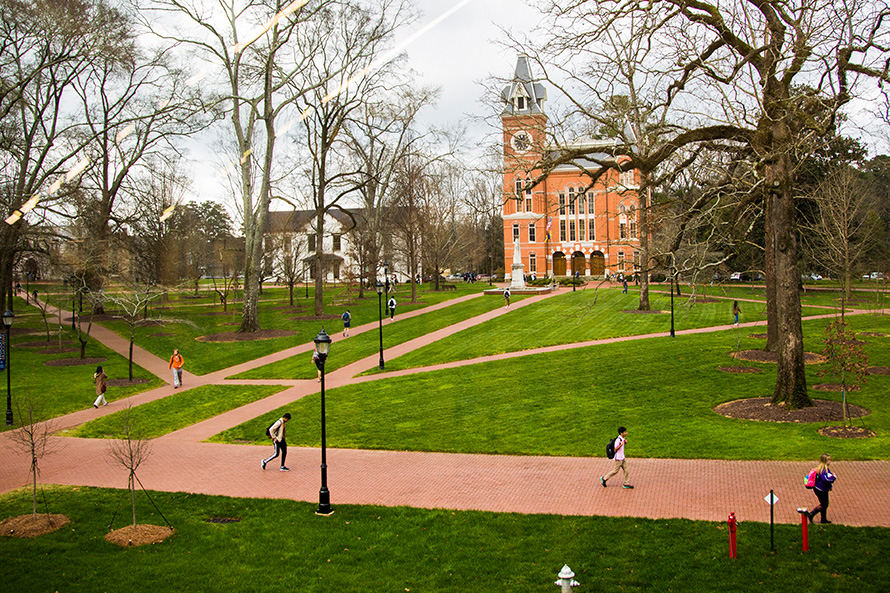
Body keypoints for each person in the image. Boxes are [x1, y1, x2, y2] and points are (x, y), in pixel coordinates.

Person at [799, 454, 837, 524]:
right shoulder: (824, 470)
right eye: (828, 460)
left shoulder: (823, 469)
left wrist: (830, 486)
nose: (830, 461)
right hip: (821, 490)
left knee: (824, 504)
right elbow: (826, 479)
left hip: (821, 489)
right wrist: (834, 477)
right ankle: (811, 514)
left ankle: (823, 519)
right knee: (824, 504)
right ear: (825, 461)